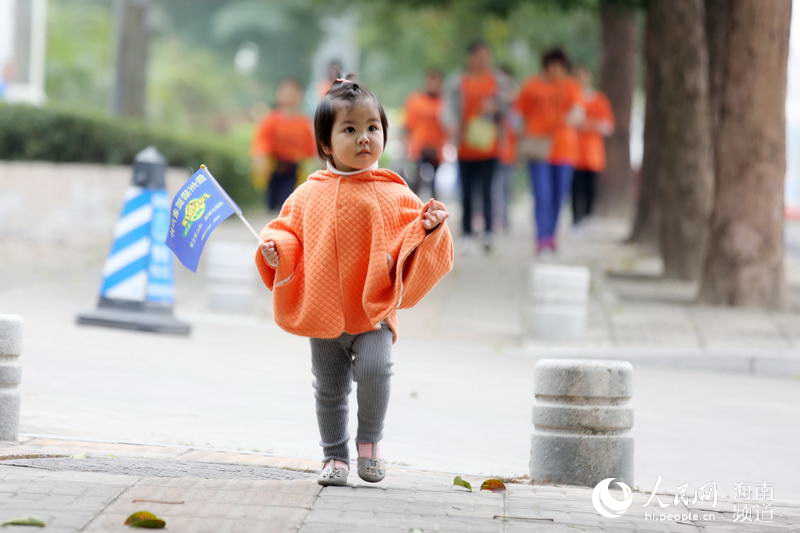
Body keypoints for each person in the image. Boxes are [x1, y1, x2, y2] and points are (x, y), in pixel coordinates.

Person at [254, 79, 454, 487]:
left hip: (373, 309)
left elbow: (414, 237)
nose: (364, 138)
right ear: (326, 144)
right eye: (349, 129)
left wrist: (430, 228)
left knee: (377, 371)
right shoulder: (309, 194)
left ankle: (369, 446)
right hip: (323, 309)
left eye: (372, 128)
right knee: (329, 388)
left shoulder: (393, 191)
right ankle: (334, 457)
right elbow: (288, 233)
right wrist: (275, 249)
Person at [443, 40, 512, 252]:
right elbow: (447, 110)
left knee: (488, 189)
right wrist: (453, 126)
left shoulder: (498, 82)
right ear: (470, 58)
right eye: (479, 56)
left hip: (490, 145)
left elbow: (511, 105)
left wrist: (496, 107)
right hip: (465, 145)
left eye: (486, 56)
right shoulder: (458, 82)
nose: (482, 61)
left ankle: (489, 232)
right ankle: (467, 232)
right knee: (466, 189)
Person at [515, 48, 583, 254]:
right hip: (539, 148)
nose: (554, 70)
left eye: (559, 66)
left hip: (565, 150)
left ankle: (552, 236)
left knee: (558, 196)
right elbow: (518, 114)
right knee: (542, 194)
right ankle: (542, 237)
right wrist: (519, 137)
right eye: (551, 65)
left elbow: (579, 111)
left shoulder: (571, 86)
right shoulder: (532, 86)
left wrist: (573, 117)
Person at [251, 79, 316, 212]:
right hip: (274, 167)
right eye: (285, 92)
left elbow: (311, 149)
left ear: (300, 96)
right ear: (278, 95)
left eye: (293, 93)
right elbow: (261, 143)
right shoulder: (271, 120)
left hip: (293, 169)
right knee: (272, 203)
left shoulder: (303, 123)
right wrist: (259, 159)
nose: (289, 96)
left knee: (287, 202)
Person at [572, 66, 614, 225]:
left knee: (591, 189)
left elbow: (608, 126)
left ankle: (588, 218)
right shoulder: (572, 98)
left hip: (593, 154)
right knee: (575, 189)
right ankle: (576, 220)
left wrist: (589, 125)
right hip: (574, 153)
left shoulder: (599, 99)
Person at [403, 68, 447, 199]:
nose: (433, 85)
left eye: (437, 82)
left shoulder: (444, 104)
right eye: (431, 81)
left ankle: (434, 213)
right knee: (415, 184)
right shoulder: (415, 101)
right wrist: (406, 147)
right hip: (417, 149)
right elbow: (407, 126)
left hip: (437, 151)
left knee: (435, 187)